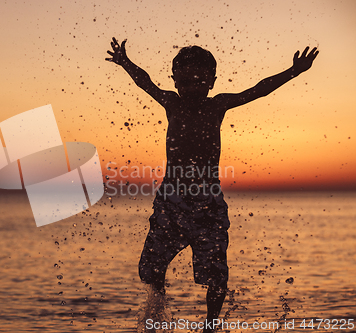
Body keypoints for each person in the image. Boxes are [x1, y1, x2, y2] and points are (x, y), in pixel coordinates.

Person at [106, 37, 318, 332]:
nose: (192, 88)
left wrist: (293, 71)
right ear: (175, 81)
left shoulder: (218, 105)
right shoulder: (172, 103)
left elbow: (257, 90)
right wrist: (125, 62)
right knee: (150, 269)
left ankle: (211, 325)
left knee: (216, 274)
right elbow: (146, 83)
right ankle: (156, 311)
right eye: (185, 82)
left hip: (208, 203)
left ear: (211, 82)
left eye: (199, 81)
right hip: (171, 200)